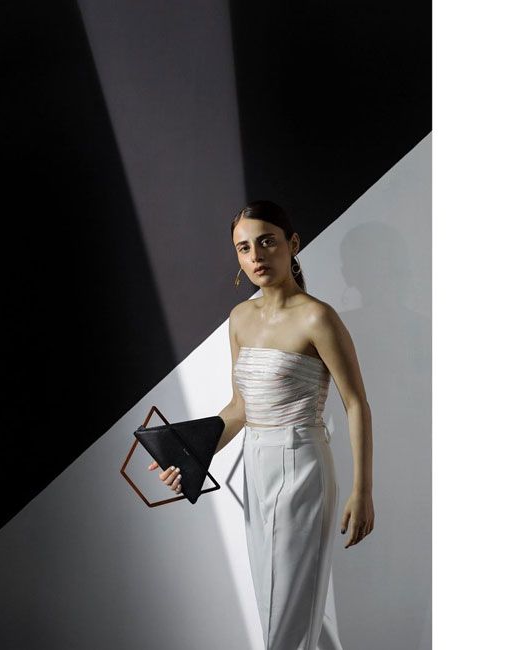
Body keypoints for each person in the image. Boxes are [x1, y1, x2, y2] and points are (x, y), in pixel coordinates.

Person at [148, 200, 374, 650]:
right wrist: (188, 454)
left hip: (302, 466)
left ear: (293, 244)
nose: (256, 256)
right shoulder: (240, 317)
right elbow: (239, 408)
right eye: (244, 247)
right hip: (256, 465)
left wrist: (362, 491)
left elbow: (355, 404)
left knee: (287, 614)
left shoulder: (317, 317)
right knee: (283, 604)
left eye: (267, 242)